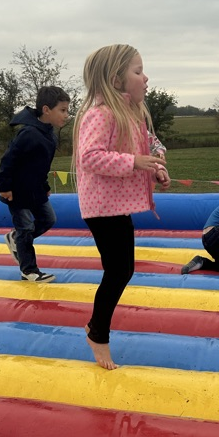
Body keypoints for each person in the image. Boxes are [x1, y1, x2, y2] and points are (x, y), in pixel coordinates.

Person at [74, 44, 170, 370]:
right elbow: (89, 157)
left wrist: (156, 167)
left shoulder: (132, 113)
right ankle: (97, 332)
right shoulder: (99, 115)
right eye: (138, 71)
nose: (145, 78)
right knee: (118, 271)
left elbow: (149, 144)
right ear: (116, 80)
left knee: (122, 270)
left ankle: (96, 329)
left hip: (116, 204)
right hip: (102, 207)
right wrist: (135, 162)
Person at [0, 86, 71, 282]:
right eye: (62, 110)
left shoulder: (49, 135)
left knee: (48, 219)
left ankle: (15, 238)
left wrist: (45, 187)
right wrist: (4, 187)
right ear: (46, 110)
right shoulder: (28, 133)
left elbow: (41, 166)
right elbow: (8, 160)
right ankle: (29, 270)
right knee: (26, 228)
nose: (67, 115)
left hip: (36, 190)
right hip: (17, 192)